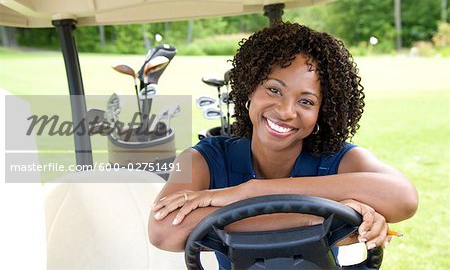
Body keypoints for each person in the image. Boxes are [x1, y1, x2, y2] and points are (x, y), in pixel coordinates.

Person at [148, 22, 418, 268]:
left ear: (322, 112)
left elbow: (403, 197)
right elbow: (163, 231)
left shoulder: (337, 159)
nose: (286, 111)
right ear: (249, 88)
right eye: (274, 90)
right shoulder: (203, 159)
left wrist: (247, 193)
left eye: (306, 101)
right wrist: (329, 220)